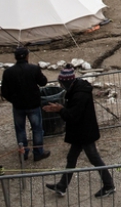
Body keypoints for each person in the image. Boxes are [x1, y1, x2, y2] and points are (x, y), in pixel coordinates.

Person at [44, 66, 115, 198]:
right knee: (71, 158)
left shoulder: (79, 95)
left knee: (94, 158)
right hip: (80, 132)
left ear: (66, 82)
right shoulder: (78, 89)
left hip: (84, 133)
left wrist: (60, 109)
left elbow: (72, 116)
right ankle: (62, 186)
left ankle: (109, 185)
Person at [0, 46, 50, 162]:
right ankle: (38, 153)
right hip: (33, 104)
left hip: (18, 106)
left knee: (20, 130)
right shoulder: (33, 69)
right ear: (27, 56)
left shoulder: (8, 72)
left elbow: (4, 92)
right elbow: (43, 82)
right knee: (37, 129)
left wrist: (13, 100)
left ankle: (24, 153)